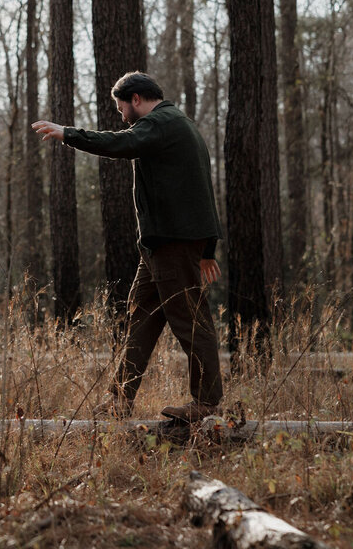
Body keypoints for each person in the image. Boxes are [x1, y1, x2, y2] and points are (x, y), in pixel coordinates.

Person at [32, 71, 224, 422]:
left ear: (136, 99)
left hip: (171, 243)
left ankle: (207, 402)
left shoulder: (161, 123)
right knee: (141, 321)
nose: (122, 116)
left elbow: (120, 144)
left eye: (122, 107)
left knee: (190, 320)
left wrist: (68, 134)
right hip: (159, 246)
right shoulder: (178, 123)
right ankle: (119, 400)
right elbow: (201, 189)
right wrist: (208, 247)